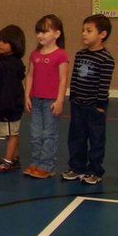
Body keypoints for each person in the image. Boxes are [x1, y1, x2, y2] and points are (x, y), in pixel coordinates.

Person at [62, 14, 115, 185]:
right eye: (83, 30)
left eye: (89, 31)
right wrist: (73, 97)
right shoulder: (80, 55)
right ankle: (77, 167)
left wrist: (100, 105)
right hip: (78, 104)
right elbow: (75, 79)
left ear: (102, 34)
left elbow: (103, 85)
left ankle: (95, 171)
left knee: (96, 139)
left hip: (94, 107)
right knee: (76, 137)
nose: (84, 33)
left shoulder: (106, 59)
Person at [24, 14, 69, 179]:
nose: (40, 35)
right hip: (36, 99)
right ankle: (36, 162)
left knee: (49, 134)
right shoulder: (35, 55)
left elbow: (63, 79)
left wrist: (60, 100)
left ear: (57, 34)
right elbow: (30, 76)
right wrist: (27, 96)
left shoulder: (61, 55)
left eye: (44, 31)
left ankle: (47, 165)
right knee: (35, 133)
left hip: (50, 101)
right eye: (38, 32)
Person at [0, 25, 26, 173]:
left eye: (4, 42)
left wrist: (8, 104)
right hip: (1, 103)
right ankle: (14, 157)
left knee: (11, 133)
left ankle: (8, 160)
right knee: (8, 132)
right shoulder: (1, 60)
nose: (0, 44)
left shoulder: (13, 64)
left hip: (10, 106)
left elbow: (12, 88)